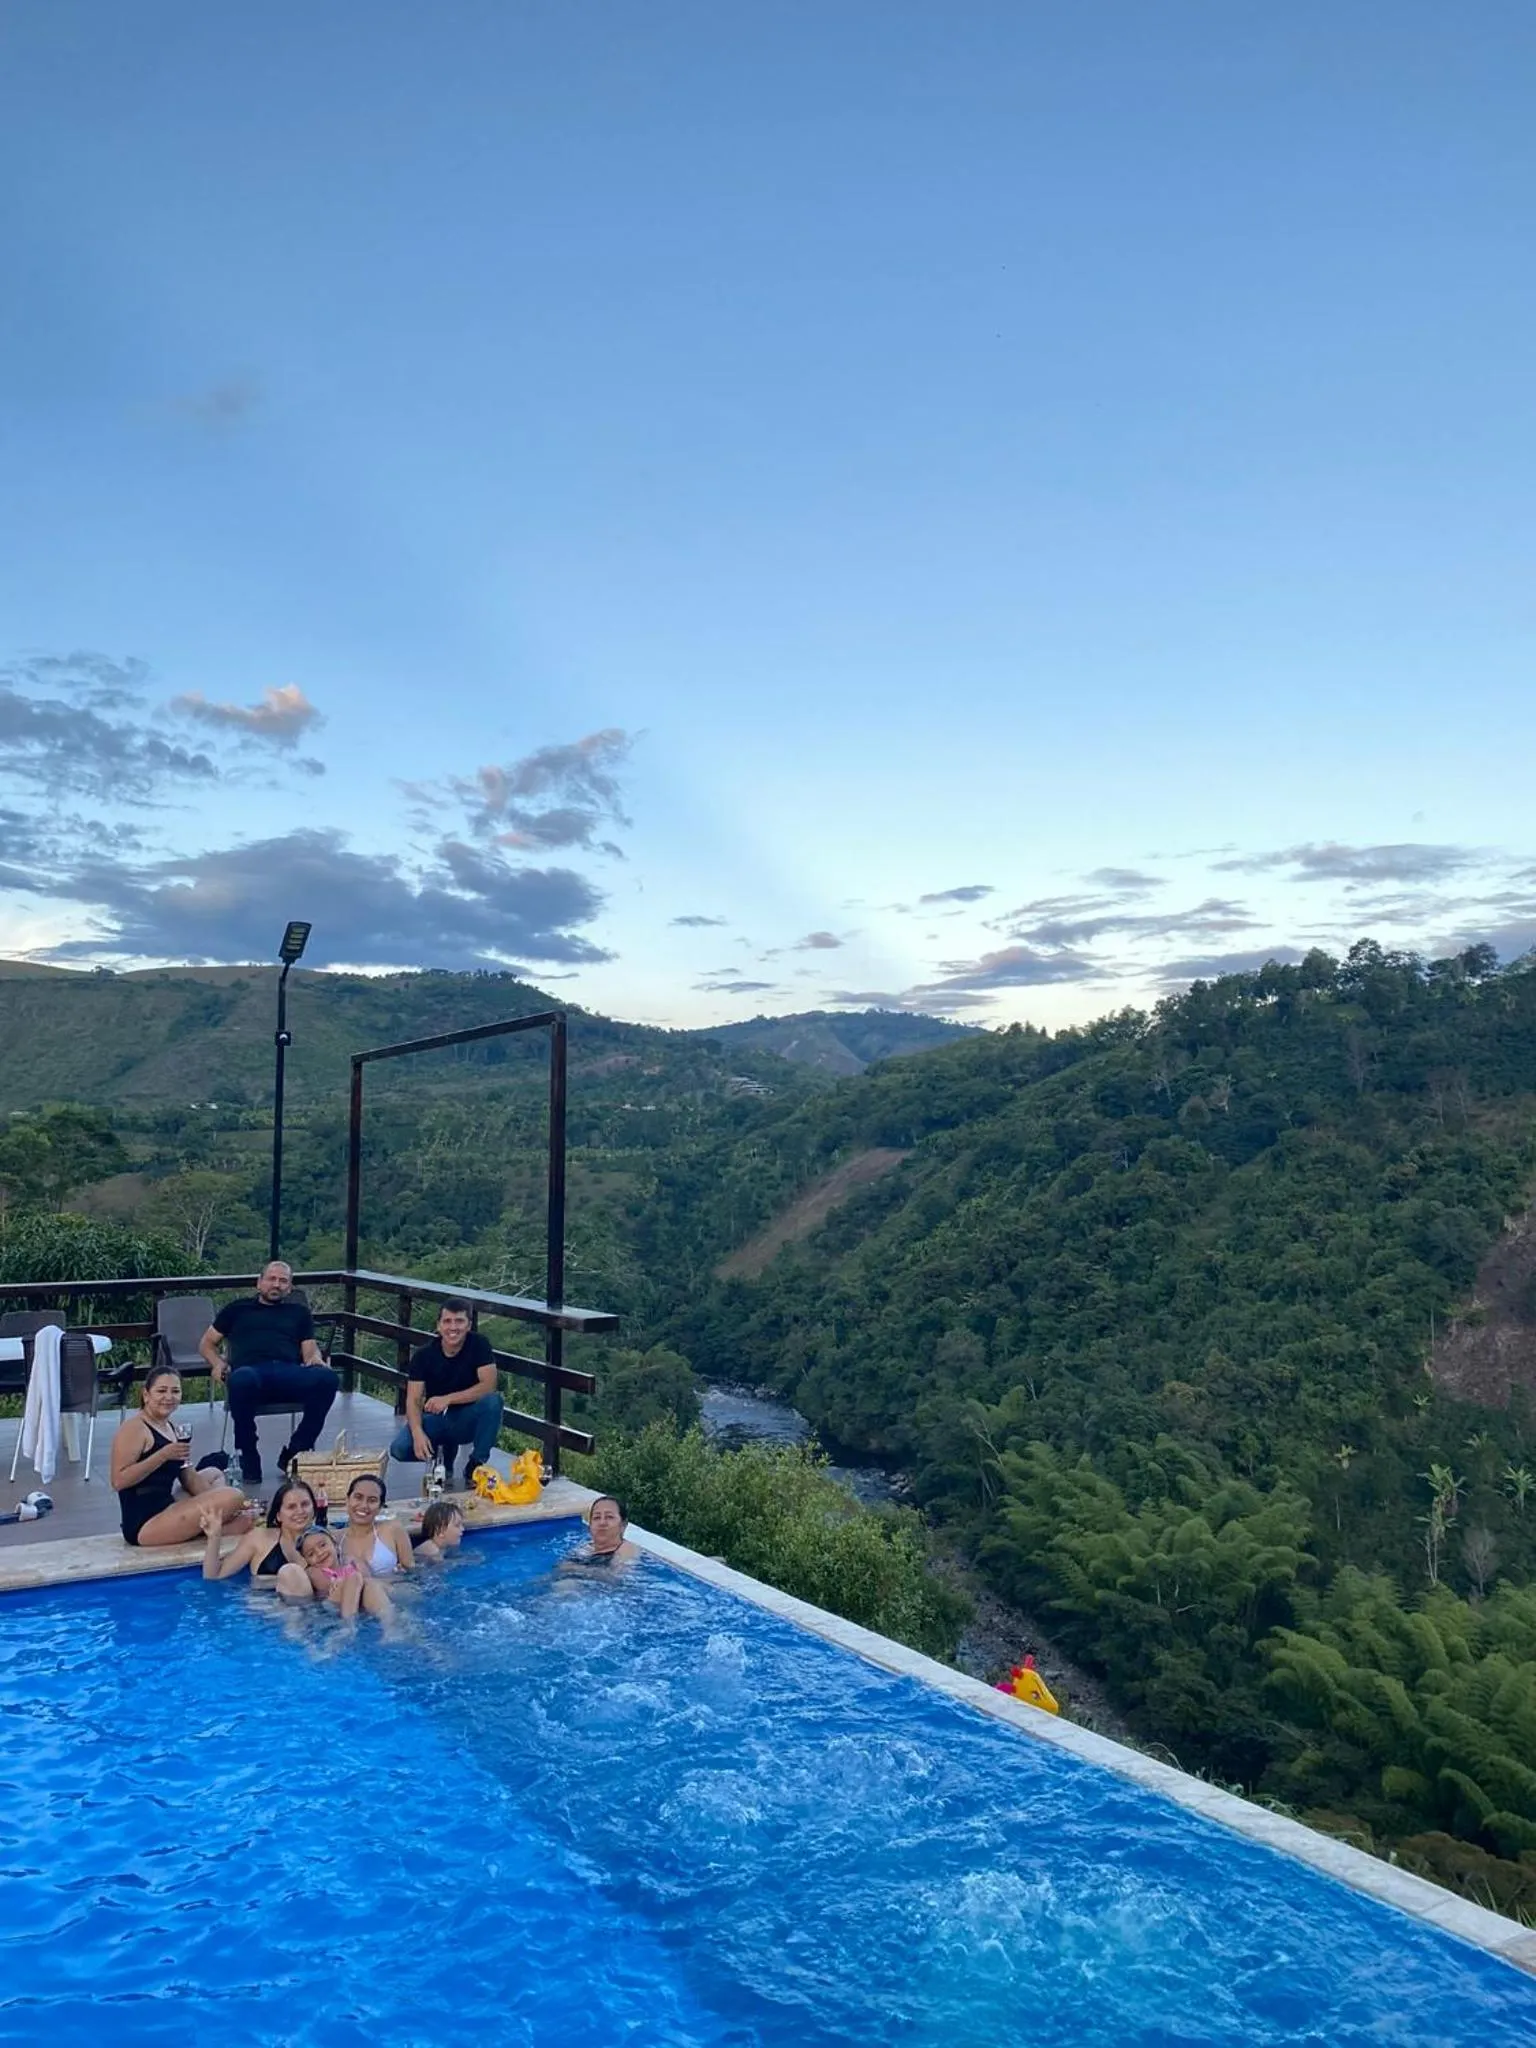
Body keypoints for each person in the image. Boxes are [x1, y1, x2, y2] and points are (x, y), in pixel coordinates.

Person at [199, 1260, 340, 1487]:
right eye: (271, 1279)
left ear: (290, 1287)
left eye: (283, 1281)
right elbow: (206, 1343)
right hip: (252, 1373)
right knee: (240, 1380)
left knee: (328, 1379)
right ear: (259, 1283)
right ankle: (249, 1455)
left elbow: (309, 1351)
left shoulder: (298, 1313)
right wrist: (217, 1363)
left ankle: (295, 1452)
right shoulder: (237, 1309)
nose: (277, 1284)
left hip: (289, 1372)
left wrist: (315, 1359)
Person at [110, 1366, 255, 1549]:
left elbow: (188, 1477)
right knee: (234, 1495)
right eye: (161, 1391)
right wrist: (162, 1455)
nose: (169, 1397)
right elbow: (118, 1481)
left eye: (175, 1391)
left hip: (166, 1505)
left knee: (214, 1473)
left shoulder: (171, 1427)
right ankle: (212, 1531)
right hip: (144, 1524)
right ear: (146, 1395)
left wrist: (230, 1508)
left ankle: (216, 1523)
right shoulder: (135, 1428)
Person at [389, 1299, 503, 1491]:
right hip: (437, 1418)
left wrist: (448, 1399)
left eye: (459, 1321)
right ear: (438, 1326)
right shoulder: (423, 1355)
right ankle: (442, 1459)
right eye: (447, 1321)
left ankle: (476, 1464)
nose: (453, 1327)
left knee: (493, 1402)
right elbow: (413, 1399)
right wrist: (417, 1433)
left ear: (468, 1325)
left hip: (468, 1417)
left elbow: (489, 1386)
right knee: (399, 1449)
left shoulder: (479, 1345)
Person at [200, 1476, 320, 1599]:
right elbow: (214, 1576)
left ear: (314, 1509)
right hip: (265, 1610)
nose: (300, 1511)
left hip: (310, 1610)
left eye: (305, 1504)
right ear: (278, 1515)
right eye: (291, 1507)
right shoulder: (258, 1539)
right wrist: (214, 1536)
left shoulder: (323, 1543)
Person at [298, 1527, 393, 1621]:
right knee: (353, 1577)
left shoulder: (352, 1562)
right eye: (311, 1554)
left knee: (372, 1585)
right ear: (307, 1561)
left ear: (334, 1544)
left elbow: (367, 1580)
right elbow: (328, 1587)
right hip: (333, 1607)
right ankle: (348, 1624)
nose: (319, 1553)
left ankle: (389, 1623)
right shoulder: (313, 1572)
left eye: (322, 1545)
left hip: (359, 1602)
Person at [335, 1472, 414, 1578]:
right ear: (347, 1500)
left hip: (391, 1592)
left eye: (372, 1500)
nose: (364, 1505)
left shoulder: (393, 1530)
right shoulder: (335, 1539)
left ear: (380, 1507)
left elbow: (413, 1574)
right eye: (358, 1497)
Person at [566, 1495, 639, 1571]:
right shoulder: (586, 1548)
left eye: (609, 1517)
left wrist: (574, 1569)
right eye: (596, 1517)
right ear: (590, 1525)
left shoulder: (626, 1550)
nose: (602, 1523)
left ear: (623, 1524)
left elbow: (614, 1577)